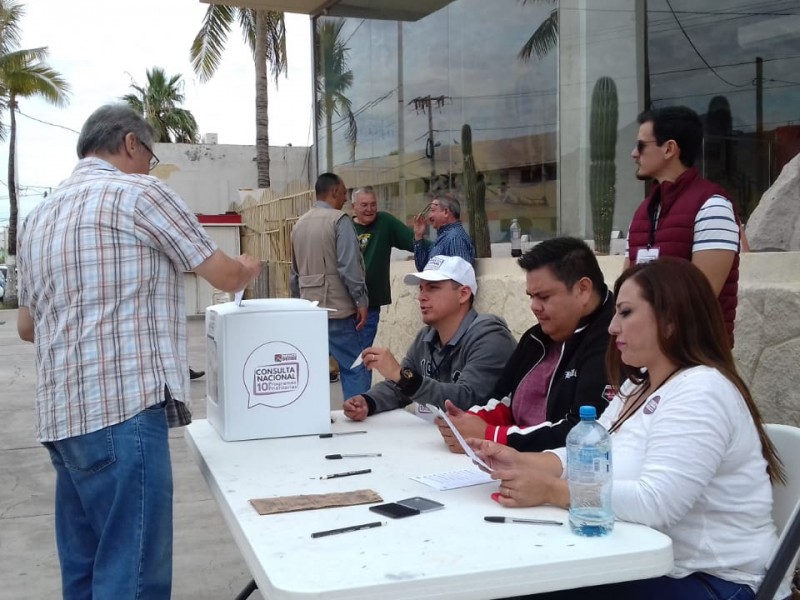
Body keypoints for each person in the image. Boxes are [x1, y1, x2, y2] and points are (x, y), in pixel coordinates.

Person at [15, 104, 261, 599]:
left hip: (63, 422)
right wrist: (249, 264)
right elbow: (224, 275)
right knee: (132, 577)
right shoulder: (140, 193)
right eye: (150, 156)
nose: (151, 167)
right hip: (122, 412)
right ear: (131, 143)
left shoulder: (38, 217)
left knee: (85, 574)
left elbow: (25, 326)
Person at [469, 257, 785, 600]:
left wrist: (550, 491)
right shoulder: (638, 387)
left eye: (626, 313)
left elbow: (656, 503)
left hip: (714, 580)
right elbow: (587, 451)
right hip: (645, 561)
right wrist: (518, 461)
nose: (612, 327)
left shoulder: (701, 391)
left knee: (520, 587)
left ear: (670, 321)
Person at [436, 237, 614, 453]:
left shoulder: (614, 343)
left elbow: (583, 432)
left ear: (583, 289)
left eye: (544, 297)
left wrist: (490, 435)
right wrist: (468, 421)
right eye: (531, 297)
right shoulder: (535, 338)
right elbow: (504, 399)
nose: (534, 307)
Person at [342, 255, 515, 421]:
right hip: (440, 443)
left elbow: (467, 400)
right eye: (421, 288)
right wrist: (367, 402)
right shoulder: (426, 337)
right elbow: (400, 388)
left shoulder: (491, 337)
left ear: (463, 294)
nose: (421, 297)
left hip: (483, 448)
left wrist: (401, 375)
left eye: (433, 287)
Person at [626, 105, 740, 345]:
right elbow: (626, 290)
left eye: (641, 145)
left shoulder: (713, 207)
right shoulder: (643, 212)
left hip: (695, 356)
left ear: (669, 149)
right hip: (646, 356)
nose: (634, 154)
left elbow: (700, 299)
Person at [290, 172, 371, 399]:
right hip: (338, 309)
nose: (345, 199)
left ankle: (313, 417)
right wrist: (361, 300)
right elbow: (349, 267)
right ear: (334, 191)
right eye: (344, 193)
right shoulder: (339, 220)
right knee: (353, 366)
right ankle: (358, 414)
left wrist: (299, 305)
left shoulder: (299, 224)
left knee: (312, 369)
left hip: (309, 310)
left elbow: (294, 274)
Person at [351, 185, 414, 350]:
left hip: (371, 304)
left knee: (362, 356)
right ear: (354, 207)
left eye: (373, 204)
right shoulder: (344, 227)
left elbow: (414, 242)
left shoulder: (384, 222)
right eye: (364, 205)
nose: (369, 209)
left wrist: (444, 249)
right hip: (346, 305)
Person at [413, 193, 476, 270]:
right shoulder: (445, 237)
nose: (429, 216)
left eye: (432, 211)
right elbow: (422, 268)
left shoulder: (455, 238)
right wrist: (418, 236)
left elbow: (460, 276)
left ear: (446, 212)